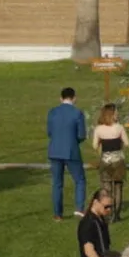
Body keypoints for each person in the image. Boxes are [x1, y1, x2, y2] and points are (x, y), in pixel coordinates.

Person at [46, 87, 88, 221]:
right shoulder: (77, 113)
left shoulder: (52, 112)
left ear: (61, 98)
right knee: (79, 180)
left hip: (54, 150)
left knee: (57, 183)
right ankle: (79, 208)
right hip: (71, 150)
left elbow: (49, 132)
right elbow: (81, 134)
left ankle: (57, 214)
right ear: (74, 98)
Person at [92, 105, 128, 222]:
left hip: (105, 161)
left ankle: (107, 214)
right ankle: (116, 215)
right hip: (118, 161)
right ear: (112, 114)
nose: (117, 114)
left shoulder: (99, 129)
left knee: (106, 189)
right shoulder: (119, 127)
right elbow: (127, 143)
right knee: (118, 188)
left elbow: (94, 146)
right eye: (116, 112)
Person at [77, 187, 114, 257]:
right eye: (106, 206)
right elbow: (89, 250)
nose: (109, 209)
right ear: (96, 202)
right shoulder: (88, 223)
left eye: (111, 206)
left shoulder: (100, 219)